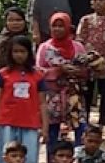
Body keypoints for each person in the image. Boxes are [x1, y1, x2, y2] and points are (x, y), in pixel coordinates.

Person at [0, 35, 47, 163]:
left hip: (31, 123)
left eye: (22, 51)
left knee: (30, 159)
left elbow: (42, 103)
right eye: (15, 51)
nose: (19, 55)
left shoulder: (37, 76)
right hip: (6, 122)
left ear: (29, 53)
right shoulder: (2, 74)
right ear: (10, 53)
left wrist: (45, 128)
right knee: (6, 158)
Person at [35, 12, 88, 155]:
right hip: (52, 96)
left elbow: (86, 69)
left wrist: (76, 71)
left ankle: (79, 162)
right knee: (52, 131)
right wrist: (58, 70)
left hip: (74, 95)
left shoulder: (78, 47)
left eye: (61, 26)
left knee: (80, 129)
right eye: (54, 26)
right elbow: (38, 72)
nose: (57, 29)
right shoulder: (44, 48)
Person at [76, 0, 105, 128]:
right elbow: (79, 41)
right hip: (88, 63)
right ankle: (85, 118)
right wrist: (86, 58)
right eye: (94, 0)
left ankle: (103, 120)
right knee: (86, 92)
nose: (97, 3)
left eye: (100, 0)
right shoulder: (86, 20)